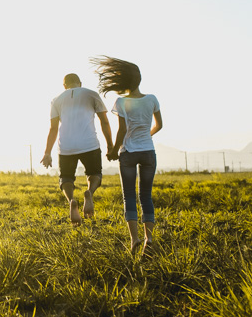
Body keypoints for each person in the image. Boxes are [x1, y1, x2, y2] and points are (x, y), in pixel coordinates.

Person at [90, 56, 163, 255]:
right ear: (139, 80)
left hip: (128, 153)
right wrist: (145, 137)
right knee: (146, 196)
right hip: (148, 152)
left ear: (124, 82)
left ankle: (135, 240)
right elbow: (159, 125)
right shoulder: (152, 99)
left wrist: (113, 150)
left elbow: (122, 130)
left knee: (129, 197)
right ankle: (149, 238)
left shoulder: (121, 102)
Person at [41, 73, 114, 227]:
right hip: (89, 144)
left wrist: (47, 153)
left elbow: (53, 128)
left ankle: (71, 200)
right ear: (80, 83)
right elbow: (104, 122)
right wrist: (110, 145)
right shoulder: (92, 94)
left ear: (64, 86)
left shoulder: (56, 100)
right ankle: (89, 192)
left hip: (66, 146)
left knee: (66, 178)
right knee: (94, 174)